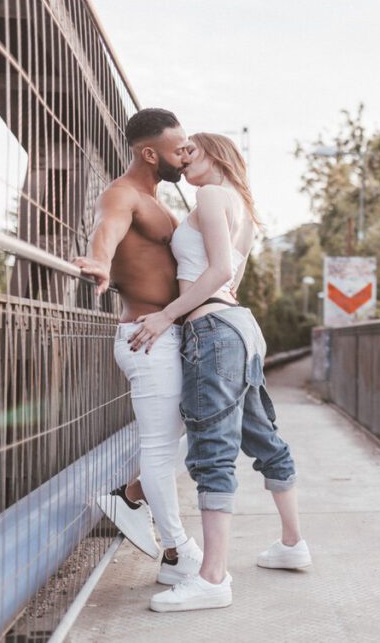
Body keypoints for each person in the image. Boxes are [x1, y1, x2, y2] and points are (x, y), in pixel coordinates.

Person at [130, 132, 311, 613]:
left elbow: (218, 273)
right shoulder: (243, 208)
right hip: (238, 328)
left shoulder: (211, 195)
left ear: (218, 155)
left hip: (212, 329)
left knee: (212, 448)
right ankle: (292, 544)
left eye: (192, 151)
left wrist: (167, 315)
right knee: (261, 434)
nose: (183, 159)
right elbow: (232, 279)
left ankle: (212, 578)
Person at [73, 108, 204, 587]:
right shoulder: (122, 194)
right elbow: (105, 232)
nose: (185, 156)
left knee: (194, 429)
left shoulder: (158, 200)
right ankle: (176, 554)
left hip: (168, 334)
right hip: (147, 338)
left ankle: (129, 497)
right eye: (178, 149)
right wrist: (101, 264)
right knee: (159, 445)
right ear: (150, 153)